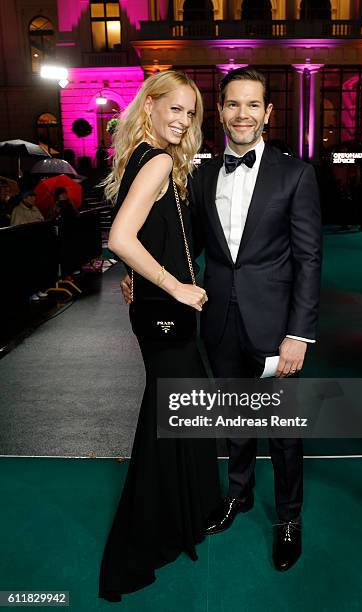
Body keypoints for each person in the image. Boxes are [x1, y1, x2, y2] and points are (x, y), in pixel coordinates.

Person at [121, 66, 322, 573]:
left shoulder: (296, 174)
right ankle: (239, 495)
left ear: (268, 113)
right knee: (236, 420)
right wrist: (137, 277)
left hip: (277, 326)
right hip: (217, 320)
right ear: (221, 112)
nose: (242, 114)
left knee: (282, 428)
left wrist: (299, 333)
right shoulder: (200, 172)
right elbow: (163, 231)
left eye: (253, 105)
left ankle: (289, 520)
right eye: (232, 104)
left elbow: (309, 260)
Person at [98, 70, 220, 602]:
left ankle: (183, 515)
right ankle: (151, 532)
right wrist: (175, 286)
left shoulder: (139, 157)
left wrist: (149, 281)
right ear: (149, 106)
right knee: (172, 414)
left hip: (153, 309)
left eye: (191, 113)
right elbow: (120, 238)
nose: (184, 120)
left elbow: (142, 236)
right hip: (167, 310)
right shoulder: (160, 160)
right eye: (175, 109)